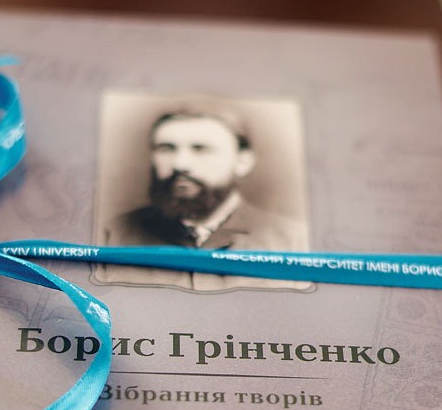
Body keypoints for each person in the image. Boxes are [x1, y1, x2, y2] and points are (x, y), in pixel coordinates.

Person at [101, 100, 307, 289]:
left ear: (242, 161)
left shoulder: (293, 241)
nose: (180, 164)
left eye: (200, 149)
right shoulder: (113, 235)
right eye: (166, 149)